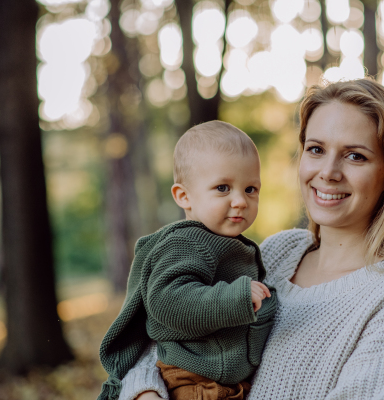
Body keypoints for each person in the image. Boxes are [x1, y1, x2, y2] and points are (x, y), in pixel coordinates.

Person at [119, 77, 384, 400]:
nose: (329, 172)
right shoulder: (277, 253)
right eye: (316, 149)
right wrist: (145, 391)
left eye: (355, 156)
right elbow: (170, 337)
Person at [97, 121, 278, 400]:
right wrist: (236, 297)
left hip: (227, 381)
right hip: (195, 382)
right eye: (222, 188)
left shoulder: (232, 245)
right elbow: (168, 302)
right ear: (184, 196)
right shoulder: (186, 242)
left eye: (251, 189)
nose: (241, 200)